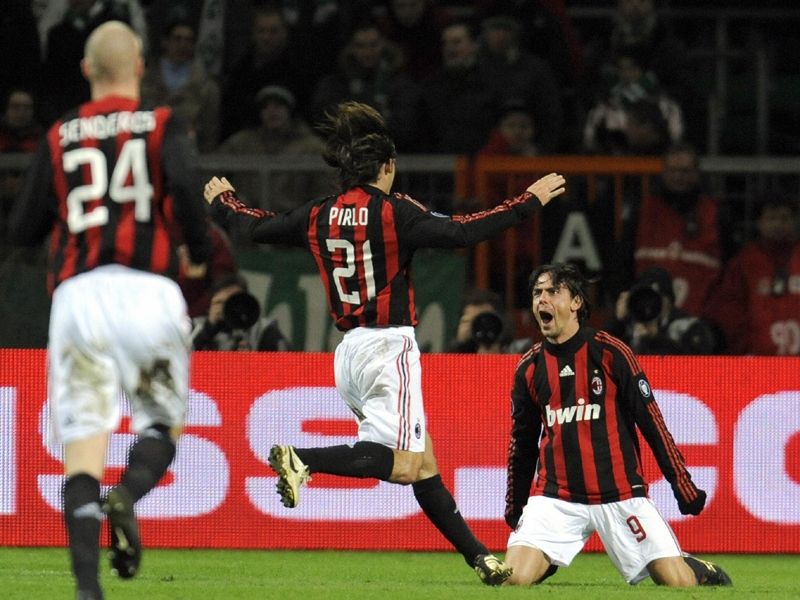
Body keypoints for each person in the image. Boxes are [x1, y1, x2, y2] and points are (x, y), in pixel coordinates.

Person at [204, 101, 566, 585]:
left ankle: (481, 558)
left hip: (348, 354)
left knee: (424, 463)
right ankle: (302, 460)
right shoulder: (397, 212)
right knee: (403, 463)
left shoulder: (320, 214)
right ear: (387, 168)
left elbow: (256, 226)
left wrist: (224, 201)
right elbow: (462, 233)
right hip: (387, 347)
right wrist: (528, 201)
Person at [9, 21, 210, 600]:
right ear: (141, 67)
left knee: (82, 450)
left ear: (86, 71)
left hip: (79, 297)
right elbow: (187, 188)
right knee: (161, 424)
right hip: (148, 291)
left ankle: (87, 591)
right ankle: (127, 496)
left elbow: (22, 229)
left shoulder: (59, 135)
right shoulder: (162, 123)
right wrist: (198, 252)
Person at [503, 263, 732, 587]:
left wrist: (682, 485)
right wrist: (516, 505)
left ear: (576, 302)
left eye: (553, 291)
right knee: (513, 580)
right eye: (537, 292)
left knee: (675, 583)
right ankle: (545, 556)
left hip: (620, 493)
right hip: (556, 497)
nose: (543, 299)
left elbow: (652, 423)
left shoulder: (611, 352)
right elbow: (522, 444)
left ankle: (696, 567)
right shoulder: (529, 367)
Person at [704, 196, 800, 355]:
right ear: (759, 223)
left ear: (795, 221)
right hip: (757, 362)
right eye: (771, 218)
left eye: (784, 218)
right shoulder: (744, 262)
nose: (778, 224)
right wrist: (746, 346)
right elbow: (728, 308)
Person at [218, 85, 333, 212]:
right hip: (250, 220)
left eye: (278, 105)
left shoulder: (311, 147)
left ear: (289, 111)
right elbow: (212, 172)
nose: (272, 111)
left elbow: (326, 189)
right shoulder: (241, 143)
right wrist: (234, 202)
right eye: (265, 107)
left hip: (295, 222)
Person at [604, 266, 722, 355]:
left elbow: (695, 365)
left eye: (656, 298)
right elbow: (598, 354)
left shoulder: (688, 327)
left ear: (670, 301)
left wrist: (654, 339)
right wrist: (617, 321)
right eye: (645, 297)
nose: (649, 304)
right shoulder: (629, 323)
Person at [191, 273, 290, 351]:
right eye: (221, 302)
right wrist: (208, 329)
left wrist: (255, 363)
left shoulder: (264, 331)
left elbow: (287, 369)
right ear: (212, 304)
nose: (229, 307)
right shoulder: (196, 327)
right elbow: (180, 361)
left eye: (234, 301)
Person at [447, 288, 512, 354]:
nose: (476, 327)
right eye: (467, 321)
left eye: (485, 321)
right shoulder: (447, 360)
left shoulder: (517, 361)